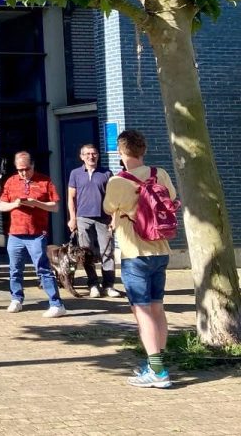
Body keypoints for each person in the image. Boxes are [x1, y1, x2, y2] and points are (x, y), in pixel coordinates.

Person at [104, 129, 176, 388]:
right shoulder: (160, 174)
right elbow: (173, 199)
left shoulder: (117, 181)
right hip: (161, 251)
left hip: (135, 254)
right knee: (157, 308)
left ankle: (157, 372)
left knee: (141, 311)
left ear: (121, 152)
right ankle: (156, 362)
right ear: (143, 150)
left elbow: (108, 208)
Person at [0, 151, 66, 318]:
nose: (23, 172)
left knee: (42, 268)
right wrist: (14, 204)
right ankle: (16, 298)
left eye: (26, 169)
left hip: (36, 232)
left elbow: (55, 207)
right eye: (19, 169)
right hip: (15, 232)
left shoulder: (44, 181)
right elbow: (1, 206)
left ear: (33, 165)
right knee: (15, 268)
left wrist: (36, 203)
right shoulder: (11, 181)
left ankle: (56, 303)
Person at [67, 144, 119, 298]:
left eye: (94, 153)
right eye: (88, 154)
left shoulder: (107, 173)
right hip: (83, 218)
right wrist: (72, 218)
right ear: (82, 156)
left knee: (107, 252)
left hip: (104, 218)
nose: (91, 156)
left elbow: (114, 198)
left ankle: (109, 285)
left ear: (98, 155)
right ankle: (93, 284)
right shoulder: (75, 173)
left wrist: (114, 218)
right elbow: (71, 197)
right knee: (87, 253)